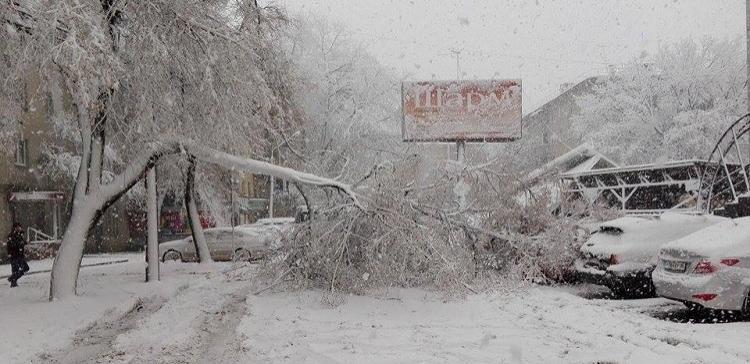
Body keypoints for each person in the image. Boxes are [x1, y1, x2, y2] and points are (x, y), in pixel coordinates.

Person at [6, 223, 29, 288]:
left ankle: (12, 278)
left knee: (25, 268)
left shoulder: (21, 234)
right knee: (15, 269)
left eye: (20, 227)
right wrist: (9, 254)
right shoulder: (11, 235)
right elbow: (10, 245)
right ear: (15, 228)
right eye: (18, 227)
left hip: (20, 255)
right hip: (14, 255)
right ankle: (13, 282)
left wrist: (24, 242)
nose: (19, 228)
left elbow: (22, 242)